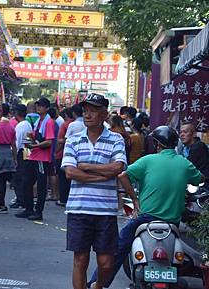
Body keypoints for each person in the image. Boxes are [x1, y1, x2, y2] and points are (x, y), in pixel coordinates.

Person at [88, 126, 204, 289]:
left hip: (146, 218)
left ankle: (96, 283)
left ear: (157, 144)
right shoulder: (184, 164)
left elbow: (123, 175)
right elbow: (200, 179)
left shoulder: (148, 160)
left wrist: (135, 199)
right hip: (173, 221)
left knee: (119, 247)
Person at [61, 93, 127, 289]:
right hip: (79, 209)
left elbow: (118, 168)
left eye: (93, 111)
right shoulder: (74, 140)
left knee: (106, 263)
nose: (88, 115)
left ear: (104, 114)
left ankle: (97, 286)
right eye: (85, 111)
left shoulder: (116, 139)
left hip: (105, 210)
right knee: (80, 260)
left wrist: (87, 167)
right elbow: (70, 172)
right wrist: (102, 175)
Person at [15, 97, 55, 221]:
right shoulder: (38, 121)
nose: (39, 107)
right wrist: (31, 138)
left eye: (41, 106)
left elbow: (49, 142)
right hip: (33, 155)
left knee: (41, 186)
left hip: (42, 157)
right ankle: (29, 208)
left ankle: (38, 211)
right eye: (37, 105)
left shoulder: (49, 122)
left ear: (47, 108)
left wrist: (35, 145)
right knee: (27, 182)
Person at [0, 103, 17, 213]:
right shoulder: (11, 126)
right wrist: (15, 159)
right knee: (7, 178)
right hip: (8, 153)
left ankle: (1, 204)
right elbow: (14, 145)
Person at [10, 104, 32, 209]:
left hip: (22, 151)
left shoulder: (20, 126)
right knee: (24, 175)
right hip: (27, 151)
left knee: (19, 177)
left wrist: (14, 156)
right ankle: (22, 199)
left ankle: (20, 199)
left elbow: (17, 142)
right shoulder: (27, 123)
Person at [55, 106, 74, 206]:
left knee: (62, 178)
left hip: (63, 154)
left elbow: (60, 140)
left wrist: (56, 152)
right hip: (75, 156)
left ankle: (63, 199)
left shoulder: (65, 125)